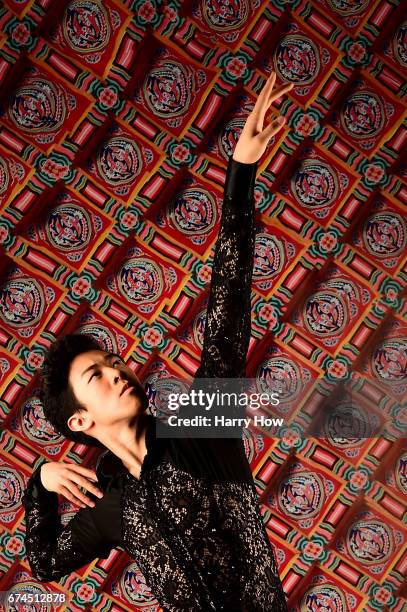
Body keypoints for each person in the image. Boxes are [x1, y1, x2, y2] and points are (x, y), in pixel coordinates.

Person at [22, 72, 293, 611]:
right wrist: (41, 483)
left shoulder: (199, 425)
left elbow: (228, 306)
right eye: (95, 376)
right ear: (79, 421)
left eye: (113, 362)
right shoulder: (107, 506)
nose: (118, 373)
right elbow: (46, 561)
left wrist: (240, 172)